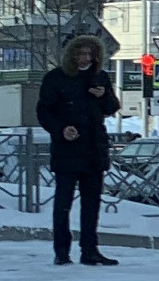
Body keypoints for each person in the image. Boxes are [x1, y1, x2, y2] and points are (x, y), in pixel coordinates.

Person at [36, 34, 121, 266]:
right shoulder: (56, 78)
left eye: (89, 54)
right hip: (68, 149)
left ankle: (90, 250)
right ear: (71, 55)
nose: (85, 58)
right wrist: (61, 129)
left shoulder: (99, 77)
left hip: (94, 148)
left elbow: (112, 107)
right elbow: (44, 111)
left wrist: (103, 96)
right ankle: (62, 251)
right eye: (81, 54)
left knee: (92, 202)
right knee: (63, 202)